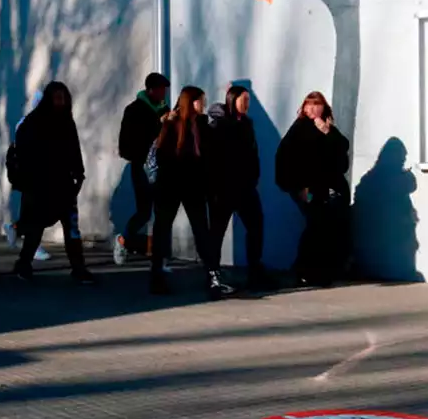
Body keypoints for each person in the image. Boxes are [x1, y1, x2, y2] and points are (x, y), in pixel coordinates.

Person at [150, 86, 233, 300]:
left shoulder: (202, 124)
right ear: (191, 101)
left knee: (201, 231)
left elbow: (211, 153)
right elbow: (162, 155)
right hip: (171, 186)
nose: (203, 105)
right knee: (162, 230)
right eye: (200, 101)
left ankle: (212, 276)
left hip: (193, 187)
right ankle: (157, 277)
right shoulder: (171, 123)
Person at [11, 81, 96, 285]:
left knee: (72, 229)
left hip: (64, 186)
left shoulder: (66, 122)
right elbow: (23, 154)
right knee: (35, 229)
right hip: (40, 187)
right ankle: (23, 264)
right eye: (57, 98)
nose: (61, 102)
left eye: (63, 98)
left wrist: (79, 173)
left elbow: (74, 149)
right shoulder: (33, 123)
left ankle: (78, 268)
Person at [275, 91, 352, 287]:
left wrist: (327, 133)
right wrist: (298, 186)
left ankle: (317, 270)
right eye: (308, 105)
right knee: (317, 224)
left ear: (324, 108)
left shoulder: (329, 130)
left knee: (323, 226)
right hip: (307, 188)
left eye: (316, 105)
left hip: (324, 188)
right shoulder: (299, 128)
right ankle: (304, 270)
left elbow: (342, 153)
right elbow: (286, 158)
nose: (312, 109)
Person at [206, 84, 270, 290]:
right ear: (233, 100)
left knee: (256, 225)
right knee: (217, 231)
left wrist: (254, 176)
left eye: (249, 100)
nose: (247, 104)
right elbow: (214, 157)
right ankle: (212, 273)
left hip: (245, 187)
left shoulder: (247, 124)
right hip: (223, 188)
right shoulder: (220, 124)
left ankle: (254, 270)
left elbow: (252, 153)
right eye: (244, 100)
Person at [114, 72, 170, 266]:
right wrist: (158, 125)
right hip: (142, 168)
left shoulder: (164, 109)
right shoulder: (135, 110)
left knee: (162, 213)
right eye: (161, 89)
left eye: (165, 90)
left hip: (162, 168)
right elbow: (127, 143)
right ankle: (123, 239)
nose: (164, 93)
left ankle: (159, 259)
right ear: (151, 90)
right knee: (145, 212)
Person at [4, 90, 50, 261]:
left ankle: (15, 228)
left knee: (33, 212)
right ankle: (33, 246)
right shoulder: (32, 125)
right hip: (33, 176)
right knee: (36, 212)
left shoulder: (32, 123)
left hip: (35, 176)